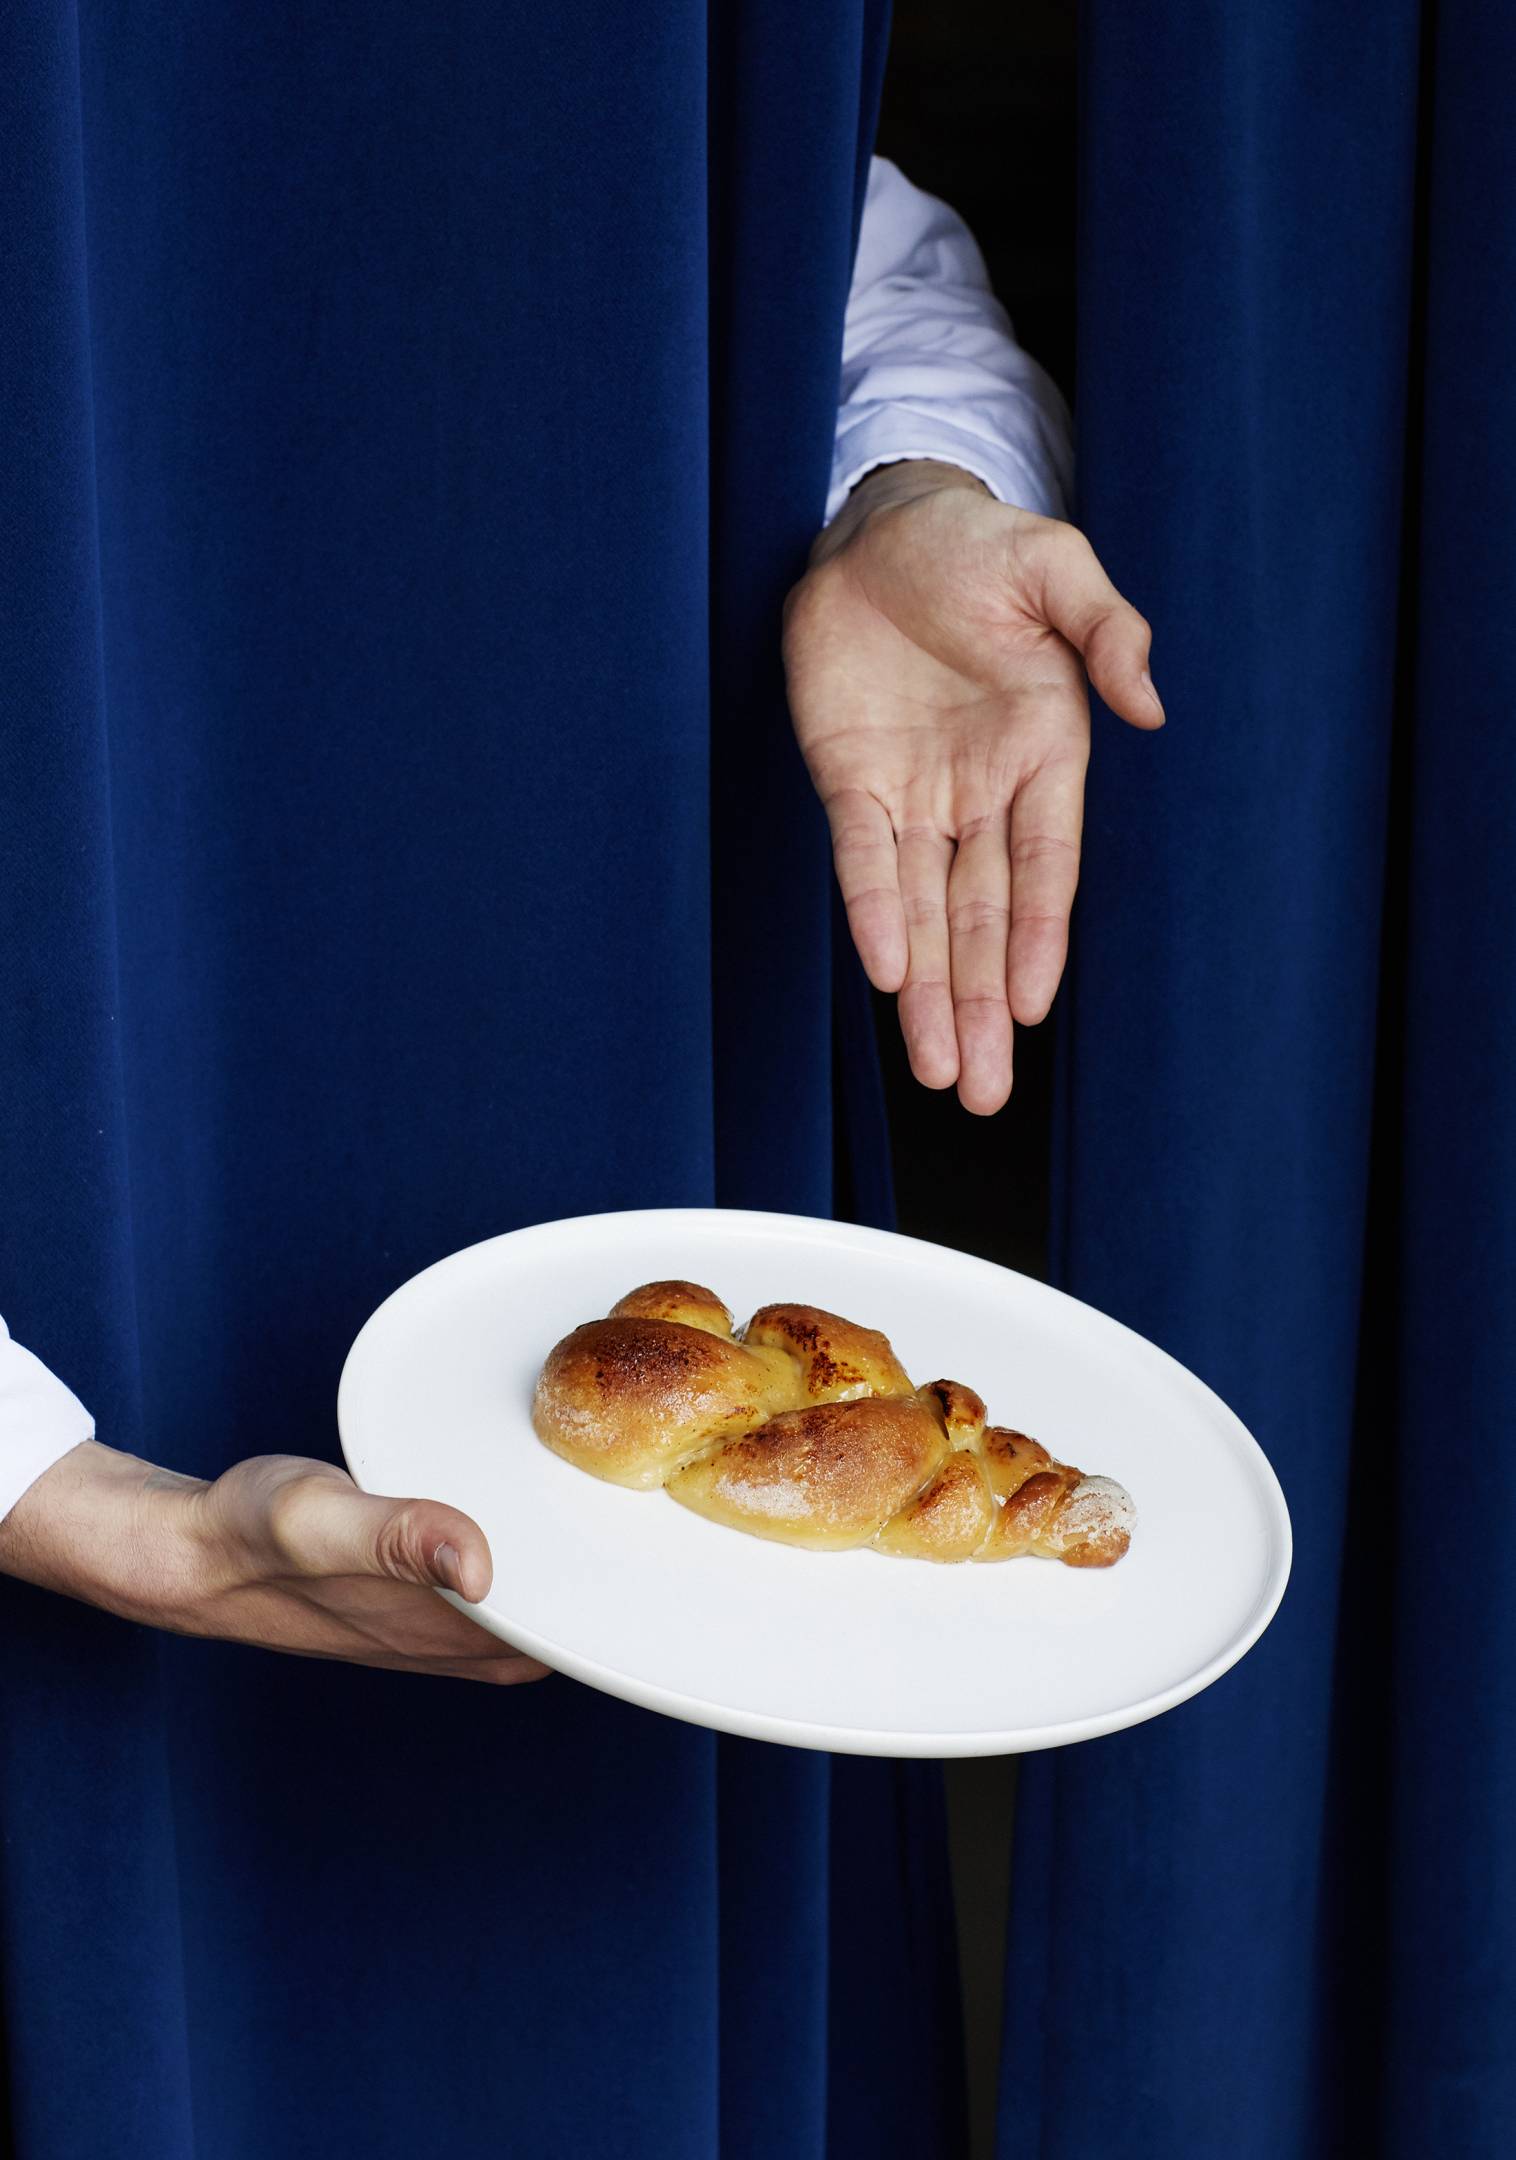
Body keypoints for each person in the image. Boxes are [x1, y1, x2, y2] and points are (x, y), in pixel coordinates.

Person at [0, 26, 1156, 2147]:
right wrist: (61, 1499)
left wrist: (911, 482)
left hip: (620, 1020)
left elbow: (791, 207)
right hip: (75, 1178)